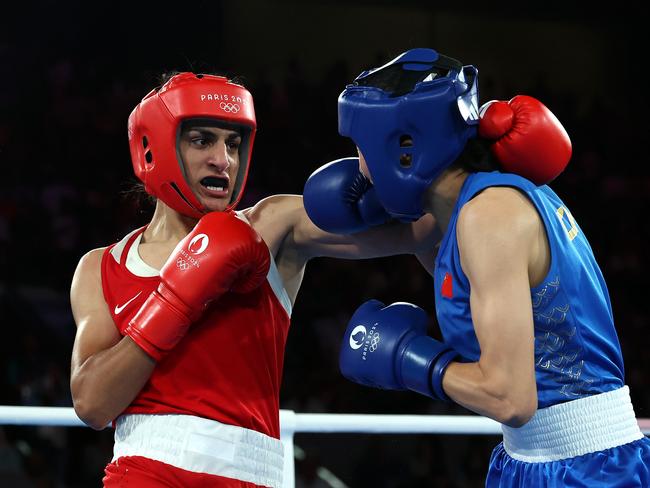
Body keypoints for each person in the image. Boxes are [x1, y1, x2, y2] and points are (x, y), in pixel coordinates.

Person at [68, 71, 443, 487]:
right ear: (152, 148)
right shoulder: (102, 266)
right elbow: (92, 404)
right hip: (144, 471)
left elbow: (422, 229)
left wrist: (446, 155)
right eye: (201, 140)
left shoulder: (271, 225)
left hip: (252, 473)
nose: (223, 160)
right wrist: (175, 300)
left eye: (233, 143)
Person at [304, 48, 650, 486]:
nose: (360, 170)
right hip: (532, 457)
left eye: (361, 149)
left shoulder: (489, 217)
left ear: (404, 148)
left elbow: (510, 397)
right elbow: (331, 233)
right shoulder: (460, 211)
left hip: (585, 466)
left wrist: (410, 360)